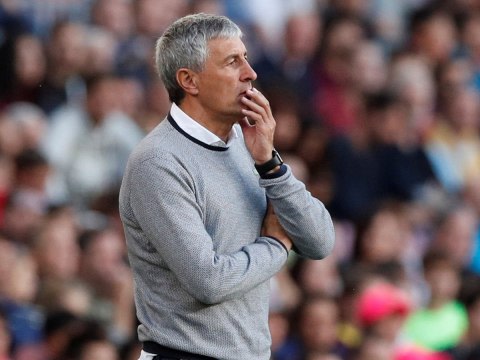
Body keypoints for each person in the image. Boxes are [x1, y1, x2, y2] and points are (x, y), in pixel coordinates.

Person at [118, 14, 335, 360]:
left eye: (246, 58)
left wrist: (271, 165)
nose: (250, 73)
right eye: (233, 62)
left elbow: (320, 241)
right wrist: (276, 246)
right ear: (189, 80)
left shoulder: (247, 143)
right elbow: (209, 281)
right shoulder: (157, 162)